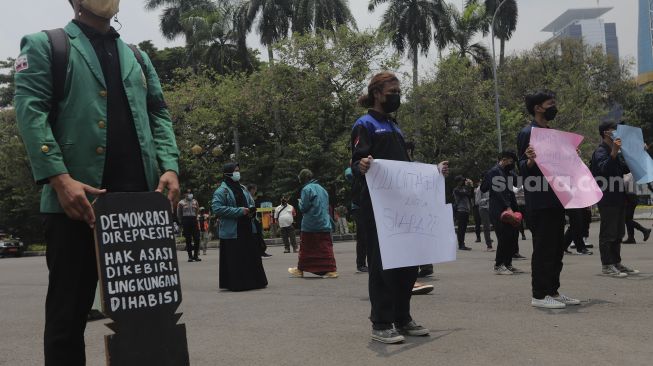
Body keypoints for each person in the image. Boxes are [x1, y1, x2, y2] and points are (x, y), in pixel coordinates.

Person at [14, 1, 180, 363]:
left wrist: (169, 166)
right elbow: (31, 112)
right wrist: (59, 178)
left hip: (138, 207)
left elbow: (158, 112)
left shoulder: (136, 55)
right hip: (76, 204)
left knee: (148, 313)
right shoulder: (46, 45)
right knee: (67, 317)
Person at [352, 71, 449, 344]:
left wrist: (434, 172)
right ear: (377, 94)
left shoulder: (395, 127)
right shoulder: (365, 124)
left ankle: (402, 318)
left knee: (407, 264)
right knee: (382, 266)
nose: (396, 95)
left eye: (398, 91)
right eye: (392, 91)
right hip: (379, 207)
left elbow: (405, 169)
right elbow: (357, 162)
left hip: (404, 207)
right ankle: (381, 323)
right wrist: (360, 166)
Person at [518, 90, 580, 309]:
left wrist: (571, 156)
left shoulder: (551, 132)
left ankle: (553, 290)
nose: (554, 106)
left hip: (556, 199)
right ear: (538, 108)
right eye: (550, 103)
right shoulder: (528, 132)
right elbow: (522, 168)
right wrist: (530, 161)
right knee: (543, 248)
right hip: (540, 201)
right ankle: (539, 294)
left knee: (555, 249)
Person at [590, 122, 640, 277]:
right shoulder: (600, 151)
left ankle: (616, 263)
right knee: (608, 233)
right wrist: (614, 152)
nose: (618, 133)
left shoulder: (615, 152)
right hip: (607, 198)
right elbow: (604, 168)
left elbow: (625, 169)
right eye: (615, 130)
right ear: (606, 133)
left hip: (619, 197)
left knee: (618, 232)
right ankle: (607, 265)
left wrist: (636, 153)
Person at [212, 163, 268, 291]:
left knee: (250, 255)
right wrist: (239, 211)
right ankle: (238, 284)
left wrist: (251, 210)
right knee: (237, 258)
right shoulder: (221, 191)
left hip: (248, 226)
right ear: (227, 173)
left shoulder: (242, 188)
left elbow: (250, 202)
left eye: (238, 170)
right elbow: (217, 208)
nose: (238, 173)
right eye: (235, 171)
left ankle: (255, 282)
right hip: (233, 230)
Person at [288, 169, 339, 278]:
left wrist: (300, 202)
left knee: (306, 247)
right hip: (324, 222)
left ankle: (300, 269)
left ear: (302, 179)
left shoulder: (306, 189)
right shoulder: (322, 189)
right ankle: (331, 270)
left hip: (311, 224)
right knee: (325, 247)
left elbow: (304, 208)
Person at [481, 151, 522, 275]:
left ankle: (508, 263)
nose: (512, 164)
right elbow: (498, 192)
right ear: (504, 159)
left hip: (510, 208)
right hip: (499, 209)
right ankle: (499, 265)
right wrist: (507, 207)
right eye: (511, 162)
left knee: (512, 236)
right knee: (504, 237)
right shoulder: (494, 172)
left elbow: (519, 183)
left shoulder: (507, 173)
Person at [345, 165, 367, 272]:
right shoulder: (353, 173)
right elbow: (348, 173)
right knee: (362, 235)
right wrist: (355, 165)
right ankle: (361, 264)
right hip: (357, 207)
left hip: (367, 206)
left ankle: (368, 263)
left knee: (369, 236)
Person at [623, 173, 651, 244]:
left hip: (630, 197)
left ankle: (644, 230)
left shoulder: (629, 174)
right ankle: (631, 238)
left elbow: (626, 182)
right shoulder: (628, 174)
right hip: (630, 197)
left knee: (626, 219)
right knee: (628, 219)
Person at [248, 183, 272, 258]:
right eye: (255, 190)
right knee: (257, 236)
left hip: (255, 219)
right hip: (252, 220)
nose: (255, 191)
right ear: (252, 189)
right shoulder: (247, 197)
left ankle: (261, 251)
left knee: (258, 235)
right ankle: (259, 251)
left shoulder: (251, 197)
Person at [178, 189, 201, 262]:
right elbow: (179, 213)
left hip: (194, 219)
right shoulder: (181, 202)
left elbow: (197, 210)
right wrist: (181, 222)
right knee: (188, 239)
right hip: (185, 220)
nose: (189, 194)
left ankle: (196, 255)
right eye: (187, 193)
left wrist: (196, 218)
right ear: (184, 194)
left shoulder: (195, 201)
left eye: (190, 193)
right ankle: (190, 256)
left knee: (197, 238)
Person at [453, 176, 474, 251]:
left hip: (466, 211)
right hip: (460, 211)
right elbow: (464, 194)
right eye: (461, 181)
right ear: (458, 182)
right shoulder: (456, 190)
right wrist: (468, 186)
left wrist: (471, 186)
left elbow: (471, 195)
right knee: (461, 229)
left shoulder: (464, 189)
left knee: (463, 228)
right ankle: (461, 244)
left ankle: (462, 244)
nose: (463, 182)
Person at [475, 178, 494, 251]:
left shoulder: (491, 187)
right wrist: (487, 199)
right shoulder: (479, 189)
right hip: (483, 209)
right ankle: (489, 246)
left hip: (491, 208)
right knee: (486, 227)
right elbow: (477, 201)